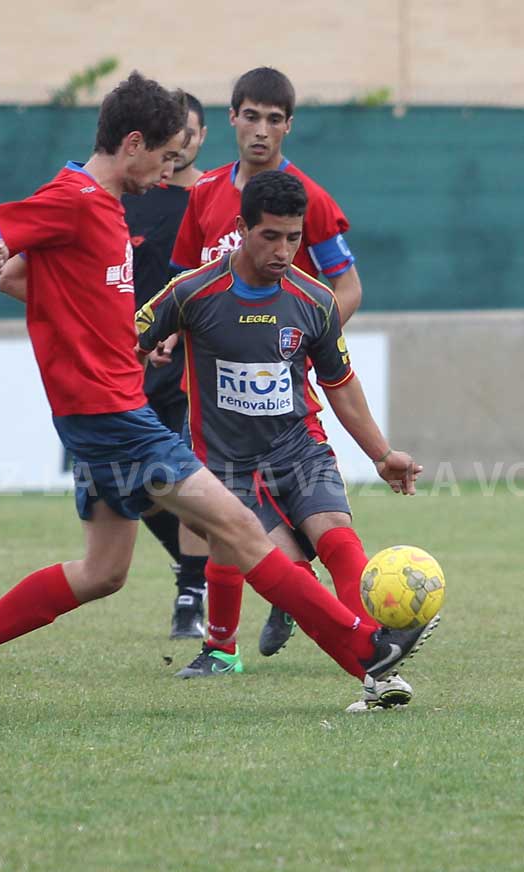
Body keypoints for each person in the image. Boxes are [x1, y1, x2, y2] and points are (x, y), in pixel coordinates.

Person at [0, 71, 436, 722]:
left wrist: (112, 337)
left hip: (102, 412)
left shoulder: (108, 206)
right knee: (239, 528)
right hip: (112, 416)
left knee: (102, 573)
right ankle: (368, 654)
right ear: (133, 144)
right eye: (165, 156)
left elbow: (35, 282)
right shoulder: (74, 197)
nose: (169, 172)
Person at [137, 169, 438, 709]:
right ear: (241, 228)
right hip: (226, 465)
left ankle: (377, 661)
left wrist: (382, 454)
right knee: (289, 575)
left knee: (338, 538)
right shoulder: (192, 292)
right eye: (270, 236)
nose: (282, 250)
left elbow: (340, 383)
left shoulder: (315, 300)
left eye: (293, 238)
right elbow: (124, 341)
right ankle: (365, 660)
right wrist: (131, 390)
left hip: (299, 447)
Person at [170, 66, 364, 657]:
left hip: (280, 395)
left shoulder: (310, 198)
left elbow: (346, 288)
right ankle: (243, 634)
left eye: (273, 120)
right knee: (224, 522)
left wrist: (297, 342)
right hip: (213, 397)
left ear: (288, 126)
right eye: (250, 116)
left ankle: (344, 632)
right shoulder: (204, 193)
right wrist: (167, 336)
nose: (260, 130)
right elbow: (183, 284)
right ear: (231, 118)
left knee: (292, 515)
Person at [122, 94, 210, 640]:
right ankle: (191, 568)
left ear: (202, 136)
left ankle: (192, 594)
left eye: (190, 134)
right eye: (172, 137)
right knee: (133, 484)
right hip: (129, 364)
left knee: (189, 478)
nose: (180, 146)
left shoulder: (210, 197)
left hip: (191, 366)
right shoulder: (129, 196)